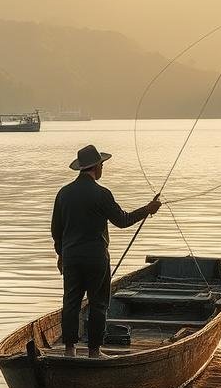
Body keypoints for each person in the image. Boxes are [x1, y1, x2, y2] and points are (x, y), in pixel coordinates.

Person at [50, 144, 162, 357]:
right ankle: (94, 351)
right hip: (96, 259)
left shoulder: (63, 194)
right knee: (98, 303)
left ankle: (69, 350)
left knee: (71, 302)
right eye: (102, 164)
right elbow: (123, 220)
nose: (103, 168)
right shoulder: (101, 194)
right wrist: (148, 209)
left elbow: (56, 230)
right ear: (96, 167)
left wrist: (61, 255)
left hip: (71, 258)